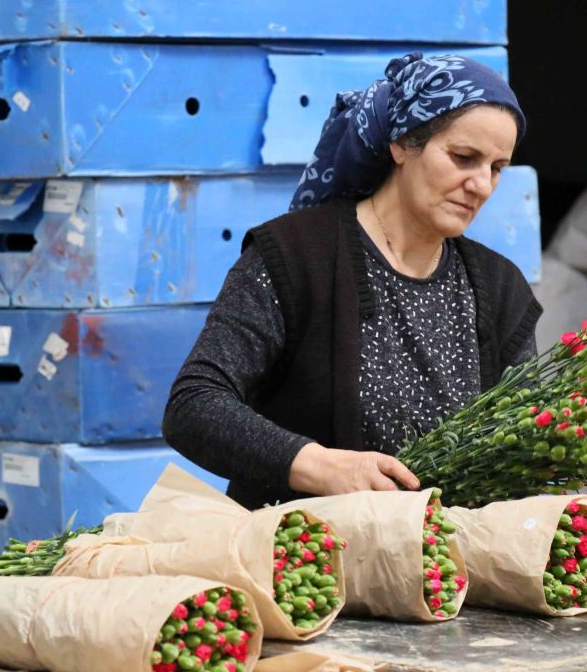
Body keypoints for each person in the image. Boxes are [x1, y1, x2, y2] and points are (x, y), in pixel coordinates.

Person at [163, 52, 542, 509]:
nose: (481, 184)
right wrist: (320, 466)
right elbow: (194, 405)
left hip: (445, 571)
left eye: (497, 167)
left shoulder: (500, 290)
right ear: (402, 144)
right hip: (303, 562)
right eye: (464, 158)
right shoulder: (296, 257)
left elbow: (525, 450)